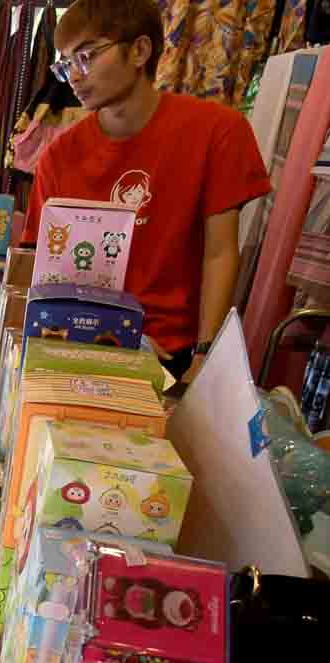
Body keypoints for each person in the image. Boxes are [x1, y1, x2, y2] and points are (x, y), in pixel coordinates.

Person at [19, 0, 271, 382]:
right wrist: (114, 335)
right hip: (81, 344)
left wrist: (205, 355)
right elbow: (41, 269)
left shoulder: (218, 132)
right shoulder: (59, 156)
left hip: (177, 353)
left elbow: (220, 252)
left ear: (139, 50)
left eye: (86, 56)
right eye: (66, 64)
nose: (74, 77)